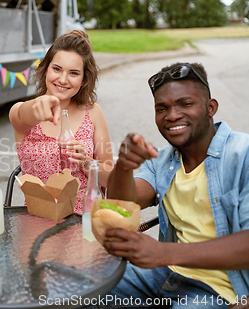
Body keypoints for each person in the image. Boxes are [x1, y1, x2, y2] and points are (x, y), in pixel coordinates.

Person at [104, 62, 249, 308]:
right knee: (82, 289)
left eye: (185, 104)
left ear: (210, 107)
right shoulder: (161, 160)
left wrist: (163, 253)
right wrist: (124, 166)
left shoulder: (242, 154)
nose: (172, 116)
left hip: (219, 290)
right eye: (162, 108)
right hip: (165, 274)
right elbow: (121, 207)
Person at [9, 30, 114, 213]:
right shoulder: (25, 111)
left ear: (83, 79)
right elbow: (21, 116)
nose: (63, 80)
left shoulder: (93, 112)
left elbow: (110, 179)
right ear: (45, 69)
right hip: (39, 217)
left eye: (73, 73)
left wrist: (86, 162)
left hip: (85, 219)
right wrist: (37, 107)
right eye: (56, 69)